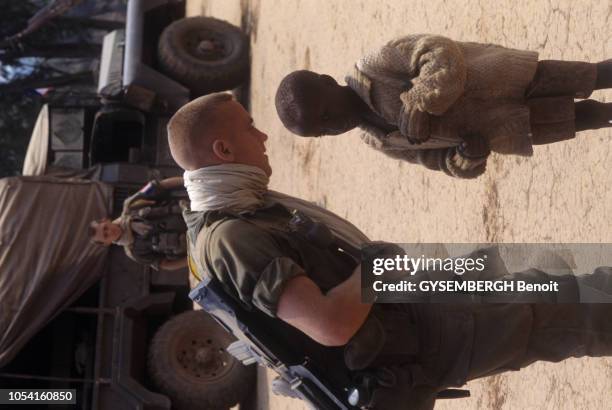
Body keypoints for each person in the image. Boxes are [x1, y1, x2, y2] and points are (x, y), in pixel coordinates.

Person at [169, 93, 612, 409]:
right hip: (422, 330)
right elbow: (330, 324)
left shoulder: (221, 224)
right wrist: (373, 266)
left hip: (416, 302)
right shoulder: (230, 237)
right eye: (249, 127)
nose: (263, 135)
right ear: (223, 149)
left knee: (558, 290)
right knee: (568, 311)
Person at [275, 34, 612, 178]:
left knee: (592, 76)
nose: (331, 124)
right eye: (322, 131)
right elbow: (435, 160)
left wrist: (421, 102)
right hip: (510, 127)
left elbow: (438, 50)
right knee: (590, 117)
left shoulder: (374, 66)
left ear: (325, 80)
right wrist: (469, 156)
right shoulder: (379, 138)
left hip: (511, 77)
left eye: (324, 113)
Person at [90, 177, 188, 271]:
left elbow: (158, 186)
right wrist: (192, 259)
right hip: (195, 239)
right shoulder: (134, 252)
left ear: (105, 220)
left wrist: (189, 180)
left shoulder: (131, 204)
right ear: (106, 243)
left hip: (193, 208)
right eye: (106, 235)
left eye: (105, 228)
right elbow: (164, 264)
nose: (110, 231)